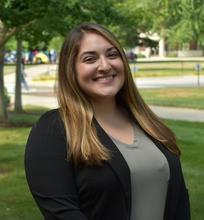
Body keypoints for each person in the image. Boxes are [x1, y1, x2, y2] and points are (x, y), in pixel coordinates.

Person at [25, 23, 190, 220]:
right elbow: (62, 212)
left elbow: (179, 202)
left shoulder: (148, 123)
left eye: (112, 55)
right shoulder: (54, 129)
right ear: (71, 70)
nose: (105, 66)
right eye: (90, 59)